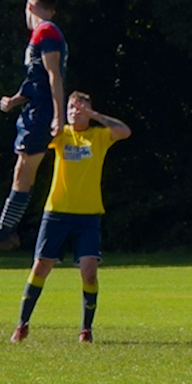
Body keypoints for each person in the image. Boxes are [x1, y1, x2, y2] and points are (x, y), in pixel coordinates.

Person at [11, 92, 131, 343]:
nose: (75, 112)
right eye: (71, 108)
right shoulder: (62, 135)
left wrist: (95, 116)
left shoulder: (98, 136)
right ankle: (22, 324)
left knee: (89, 272)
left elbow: (124, 132)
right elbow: (40, 138)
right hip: (56, 212)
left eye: (80, 108)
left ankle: (86, 329)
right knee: (41, 266)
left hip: (88, 216)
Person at [0, 0, 67, 251]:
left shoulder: (46, 30)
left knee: (25, 171)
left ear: (31, 7)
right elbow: (37, 80)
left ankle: (5, 234)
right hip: (34, 110)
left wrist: (58, 117)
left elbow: (53, 76)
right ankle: (7, 232)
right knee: (22, 170)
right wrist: (16, 99)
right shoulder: (40, 34)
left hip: (42, 114)